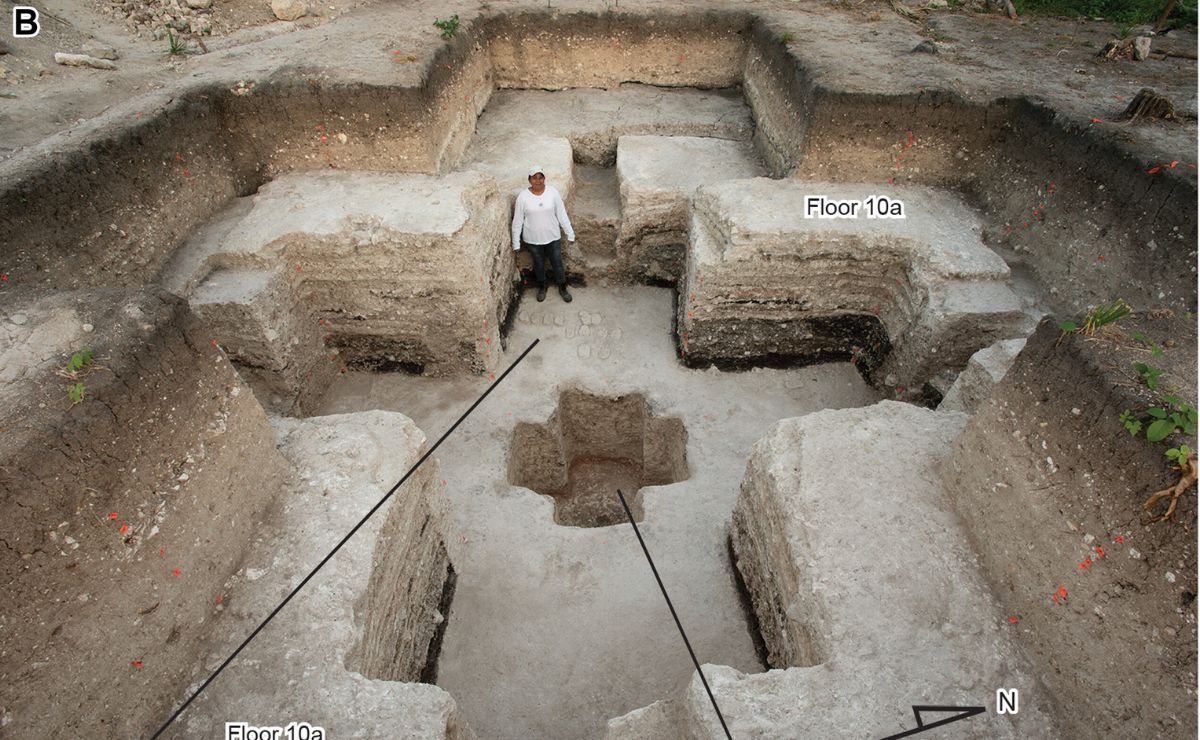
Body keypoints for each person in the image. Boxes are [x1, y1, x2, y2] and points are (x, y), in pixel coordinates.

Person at [512, 165, 575, 303]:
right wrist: (516, 242)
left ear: (544, 178)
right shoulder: (523, 197)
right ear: (529, 180)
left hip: (553, 237)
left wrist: (570, 233)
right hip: (533, 239)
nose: (538, 181)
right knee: (538, 264)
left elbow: (561, 214)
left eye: (541, 177)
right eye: (534, 178)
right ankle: (542, 286)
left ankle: (562, 287)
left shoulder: (552, 193)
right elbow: (517, 221)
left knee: (557, 263)